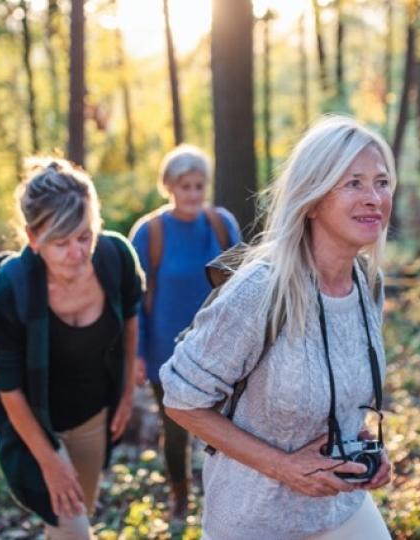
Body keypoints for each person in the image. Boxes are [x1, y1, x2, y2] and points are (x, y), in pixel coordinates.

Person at [158, 116, 396, 539]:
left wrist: (363, 444)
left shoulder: (367, 283)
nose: (374, 197)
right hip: (256, 519)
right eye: (353, 183)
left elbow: (339, 388)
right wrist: (285, 467)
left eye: (381, 182)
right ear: (314, 198)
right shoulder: (261, 290)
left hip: (339, 503)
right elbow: (180, 399)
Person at [0, 159, 144, 540]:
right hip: (34, 423)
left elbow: (131, 316)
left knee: (74, 514)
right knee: (75, 530)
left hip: (92, 415)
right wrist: (49, 460)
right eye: (61, 242)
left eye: (85, 236)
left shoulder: (116, 257)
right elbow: (8, 387)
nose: (77, 252)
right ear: (33, 240)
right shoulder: (9, 289)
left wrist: (127, 393)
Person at [129, 144, 241, 518]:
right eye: (185, 186)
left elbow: (244, 285)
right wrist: (137, 354)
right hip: (167, 350)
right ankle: (180, 496)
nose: (193, 194)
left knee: (226, 431)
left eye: (198, 185)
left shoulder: (222, 225)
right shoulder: (149, 233)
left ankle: (224, 500)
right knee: (176, 430)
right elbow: (134, 300)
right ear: (170, 187)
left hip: (220, 346)